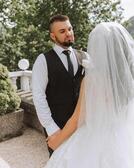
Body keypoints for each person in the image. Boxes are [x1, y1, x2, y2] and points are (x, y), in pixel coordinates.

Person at [44, 22, 134, 168]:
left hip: (94, 138)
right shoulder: (130, 78)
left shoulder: (94, 79)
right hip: (125, 139)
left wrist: (56, 141)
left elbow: (77, 118)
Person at [32, 14, 87, 156]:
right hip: (57, 125)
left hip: (82, 125)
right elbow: (38, 96)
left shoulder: (84, 57)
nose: (68, 33)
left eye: (70, 29)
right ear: (53, 36)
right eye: (62, 31)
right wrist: (52, 129)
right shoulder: (43, 60)